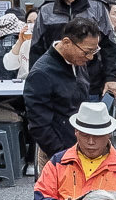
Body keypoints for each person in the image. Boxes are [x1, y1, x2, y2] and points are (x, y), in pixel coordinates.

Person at [34, 102, 116, 200]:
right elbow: (39, 199)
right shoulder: (58, 162)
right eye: (85, 135)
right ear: (76, 132)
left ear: (109, 134)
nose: (91, 142)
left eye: (97, 136)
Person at [24, 18, 102, 164]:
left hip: (83, 147)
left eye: (94, 51)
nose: (90, 57)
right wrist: (62, 155)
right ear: (66, 42)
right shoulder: (41, 73)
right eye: (87, 52)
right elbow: (39, 125)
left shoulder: (78, 61)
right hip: (59, 154)